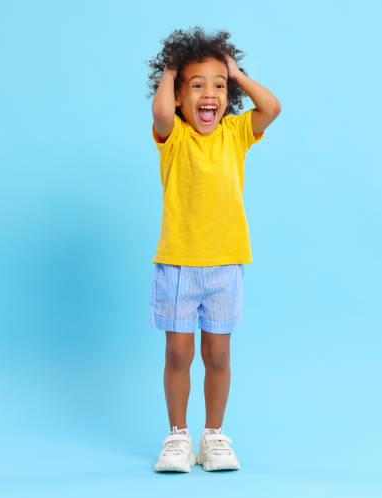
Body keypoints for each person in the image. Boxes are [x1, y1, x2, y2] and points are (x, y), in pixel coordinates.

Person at [146, 26, 281, 472]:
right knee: (179, 354)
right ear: (181, 97)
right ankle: (178, 437)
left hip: (224, 265)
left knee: (218, 354)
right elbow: (161, 110)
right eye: (196, 85)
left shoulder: (235, 133)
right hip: (180, 265)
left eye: (218, 86)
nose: (210, 94)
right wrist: (169, 70)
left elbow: (272, 107)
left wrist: (237, 74)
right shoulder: (174, 137)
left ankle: (214, 436)